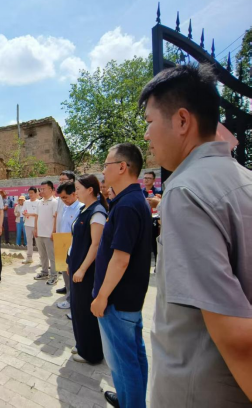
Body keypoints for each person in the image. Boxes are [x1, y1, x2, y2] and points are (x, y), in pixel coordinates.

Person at [140, 65, 252, 408]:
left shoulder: (186, 191)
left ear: (182, 121)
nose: (146, 135)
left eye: (149, 121)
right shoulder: (243, 178)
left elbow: (236, 336)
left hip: (197, 391)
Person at [91, 144, 152, 409]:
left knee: (123, 362)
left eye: (106, 165)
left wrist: (102, 296)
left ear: (122, 167)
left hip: (117, 300)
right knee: (134, 357)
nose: (104, 171)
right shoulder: (132, 200)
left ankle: (131, 402)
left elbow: (121, 259)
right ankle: (129, 399)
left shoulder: (127, 205)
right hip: (128, 298)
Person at [68, 175, 108, 365]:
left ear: (90, 189)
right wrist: (69, 262)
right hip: (76, 266)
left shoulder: (97, 212)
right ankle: (81, 343)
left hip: (87, 271)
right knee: (77, 309)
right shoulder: (84, 209)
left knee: (85, 311)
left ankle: (91, 353)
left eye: (78, 188)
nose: (75, 192)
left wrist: (82, 269)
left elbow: (96, 244)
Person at [53, 182, 84, 310]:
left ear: (74, 194)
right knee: (65, 274)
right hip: (63, 244)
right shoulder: (66, 207)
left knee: (73, 275)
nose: (63, 200)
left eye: (65, 197)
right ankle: (69, 298)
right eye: (61, 198)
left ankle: (74, 302)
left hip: (74, 247)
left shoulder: (81, 209)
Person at [34, 181, 59, 286]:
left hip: (49, 234)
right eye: (41, 189)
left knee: (52, 256)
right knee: (42, 255)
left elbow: (56, 218)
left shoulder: (54, 202)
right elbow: (36, 216)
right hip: (39, 233)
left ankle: (54, 275)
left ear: (51, 189)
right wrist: (35, 229)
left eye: (44, 189)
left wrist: (53, 232)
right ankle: (44, 272)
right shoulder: (39, 202)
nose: (42, 191)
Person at [22, 187, 39, 264]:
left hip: (37, 225)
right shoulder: (26, 202)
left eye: (32, 193)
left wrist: (30, 214)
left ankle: (42, 259)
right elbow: (23, 211)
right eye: (29, 193)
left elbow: (38, 214)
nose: (30, 194)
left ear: (36, 193)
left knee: (39, 243)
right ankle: (29, 258)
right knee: (29, 242)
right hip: (27, 224)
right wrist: (24, 213)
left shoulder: (39, 202)